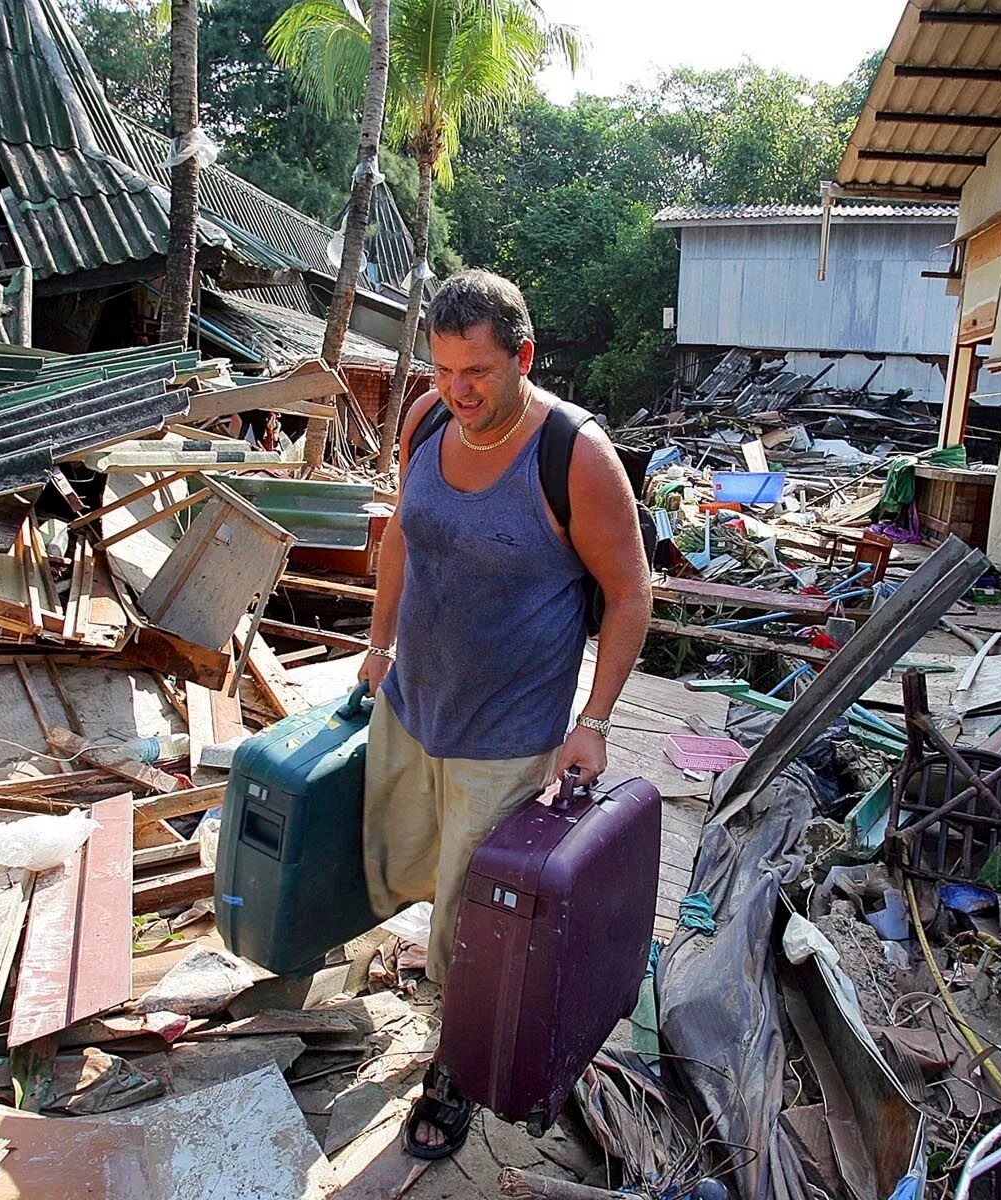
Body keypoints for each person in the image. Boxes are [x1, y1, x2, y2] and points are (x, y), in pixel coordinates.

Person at [355, 269, 651, 1159]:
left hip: (508, 737)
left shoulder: (574, 457)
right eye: (442, 369)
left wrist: (592, 720)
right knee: (405, 868)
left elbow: (631, 594)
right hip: (415, 705)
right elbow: (404, 529)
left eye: (476, 371)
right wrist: (378, 644)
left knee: (474, 915)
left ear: (523, 356)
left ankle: (458, 1062)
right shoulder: (426, 418)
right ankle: (435, 980)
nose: (457, 390)